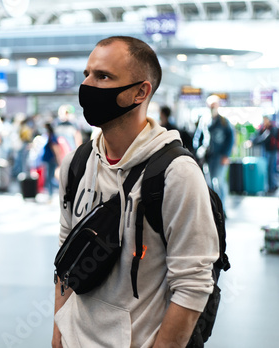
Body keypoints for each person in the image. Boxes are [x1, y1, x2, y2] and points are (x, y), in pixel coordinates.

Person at [53, 36, 219, 348]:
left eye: (103, 77)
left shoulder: (176, 174)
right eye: (87, 75)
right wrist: (58, 329)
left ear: (140, 92)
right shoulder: (76, 163)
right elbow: (66, 254)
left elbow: (193, 284)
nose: (87, 86)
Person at [206, 95, 235, 212]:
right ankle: (213, 208)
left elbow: (231, 139)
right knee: (209, 183)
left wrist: (226, 155)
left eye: (214, 105)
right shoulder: (205, 121)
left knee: (218, 181)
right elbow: (199, 137)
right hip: (209, 157)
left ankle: (222, 209)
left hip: (220, 157)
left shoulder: (224, 122)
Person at [253, 115, 278, 193]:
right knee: (270, 168)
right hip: (268, 150)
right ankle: (272, 185)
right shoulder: (265, 128)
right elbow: (258, 136)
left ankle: (272, 186)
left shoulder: (272, 129)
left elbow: (265, 138)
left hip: (272, 151)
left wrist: (254, 143)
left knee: (270, 169)